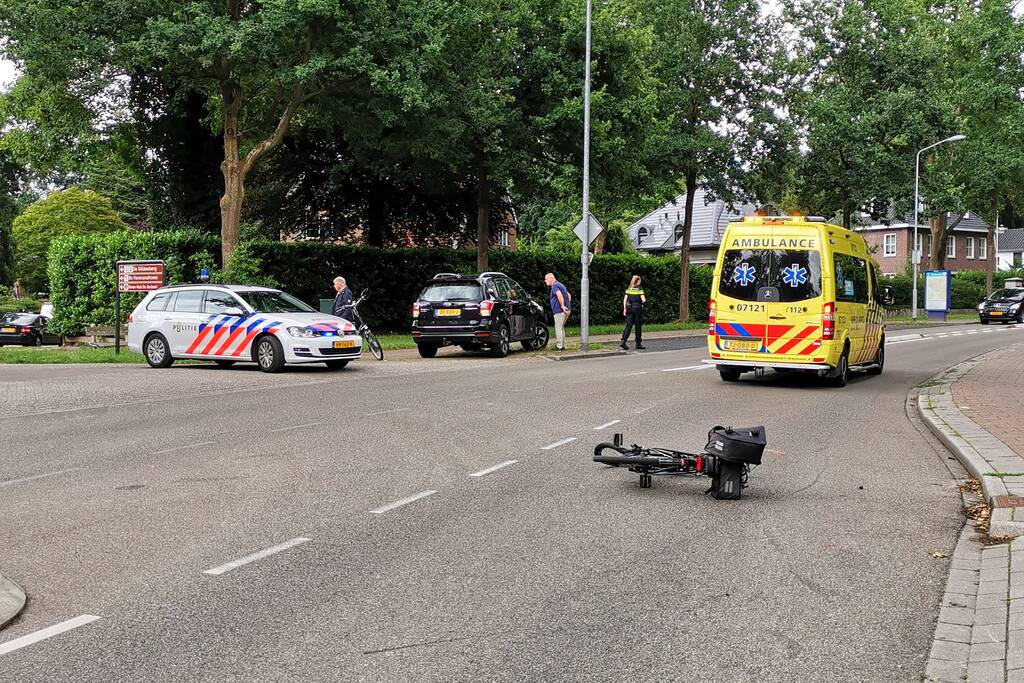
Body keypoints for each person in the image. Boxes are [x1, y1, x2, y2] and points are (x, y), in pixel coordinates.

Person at [544, 272, 571, 351]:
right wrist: (567, 305)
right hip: (566, 310)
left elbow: (559, 294)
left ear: (550, 278)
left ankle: (559, 346)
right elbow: (569, 295)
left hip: (560, 311)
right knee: (561, 328)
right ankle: (563, 345)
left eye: (546, 279)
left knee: (558, 328)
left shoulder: (554, 285)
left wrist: (562, 306)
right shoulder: (560, 284)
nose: (545, 281)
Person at [620, 275, 646, 350]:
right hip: (637, 309)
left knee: (628, 325)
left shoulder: (629, 289)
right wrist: (643, 302)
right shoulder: (639, 289)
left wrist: (625, 309)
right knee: (638, 326)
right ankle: (638, 343)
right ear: (638, 281)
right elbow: (643, 299)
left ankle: (623, 341)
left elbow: (625, 300)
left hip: (629, 309)